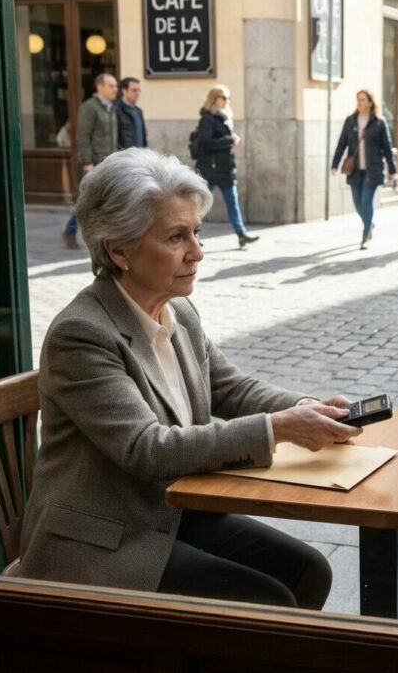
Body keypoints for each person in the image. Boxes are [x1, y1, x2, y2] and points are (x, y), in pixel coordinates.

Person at [20, 147, 362, 609]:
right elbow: (148, 449)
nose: (197, 253)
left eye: (196, 232)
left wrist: (307, 408)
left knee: (308, 570)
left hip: (167, 513)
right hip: (101, 541)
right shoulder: (82, 334)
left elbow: (230, 387)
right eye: (176, 237)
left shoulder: (177, 310)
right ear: (118, 249)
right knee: (268, 599)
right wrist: (280, 428)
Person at [331, 89, 397, 249]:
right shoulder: (350, 121)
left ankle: (366, 235)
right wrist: (335, 164)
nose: (359, 102)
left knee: (366, 201)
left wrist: (392, 169)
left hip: (372, 169)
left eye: (363, 99)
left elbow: (387, 147)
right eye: (358, 99)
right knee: (357, 202)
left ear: (370, 103)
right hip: (355, 170)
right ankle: (369, 223)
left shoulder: (379, 123)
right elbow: (342, 143)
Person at [194, 85, 258, 249]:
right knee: (201, 204)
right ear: (214, 98)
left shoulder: (225, 116)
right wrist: (229, 140)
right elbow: (206, 143)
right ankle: (193, 234)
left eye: (228, 98)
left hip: (225, 167)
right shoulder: (207, 118)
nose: (227, 101)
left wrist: (230, 140)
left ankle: (241, 234)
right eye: (224, 98)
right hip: (210, 168)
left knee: (233, 202)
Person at [62, 73, 118, 250]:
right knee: (86, 201)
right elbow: (83, 136)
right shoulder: (89, 107)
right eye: (111, 86)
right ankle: (69, 232)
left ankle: (106, 236)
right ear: (99, 87)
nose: (115, 89)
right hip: (94, 162)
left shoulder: (110, 107)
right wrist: (87, 162)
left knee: (107, 200)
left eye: (116, 86)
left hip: (108, 161)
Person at [116, 76, 148, 149]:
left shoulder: (139, 111)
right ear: (124, 91)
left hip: (140, 153)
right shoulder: (116, 109)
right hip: (125, 153)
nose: (137, 93)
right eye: (134, 90)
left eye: (138, 90)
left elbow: (143, 137)